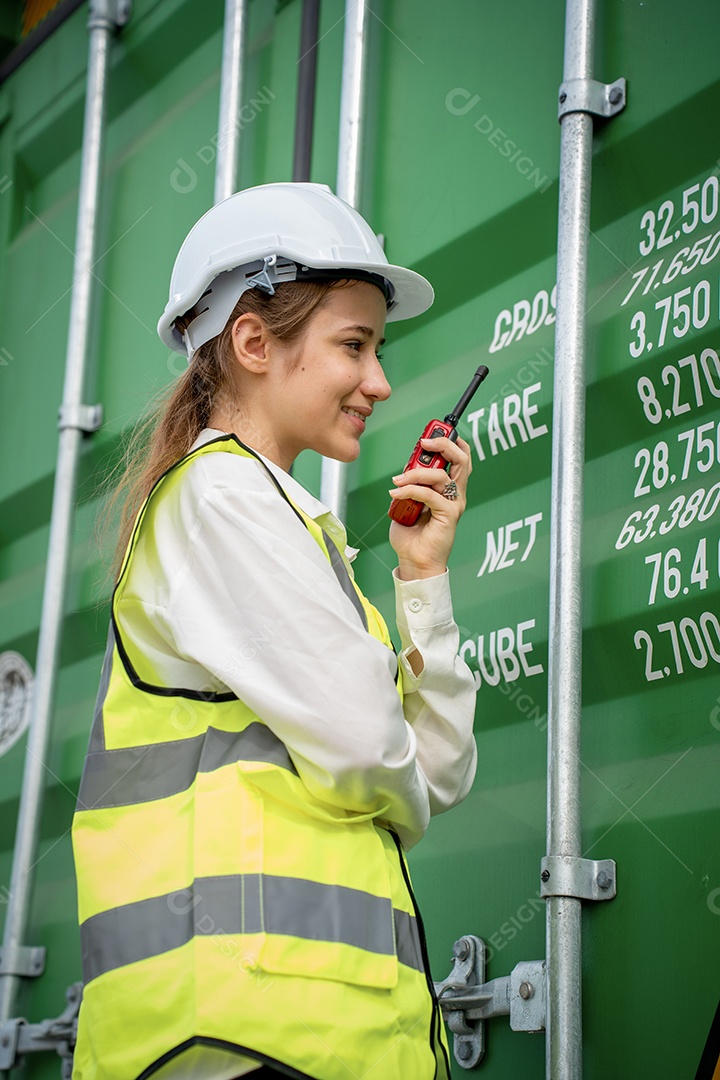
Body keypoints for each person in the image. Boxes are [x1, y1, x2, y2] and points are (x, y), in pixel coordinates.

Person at [71, 182, 477, 1080]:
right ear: (254, 342)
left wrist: (422, 577)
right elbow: (377, 750)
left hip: (315, 1042)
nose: (380, 381)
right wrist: (387, 774)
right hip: (237, 1043)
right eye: (354, 345)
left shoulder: (290, 531)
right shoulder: (220, 500)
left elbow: (432, 773)